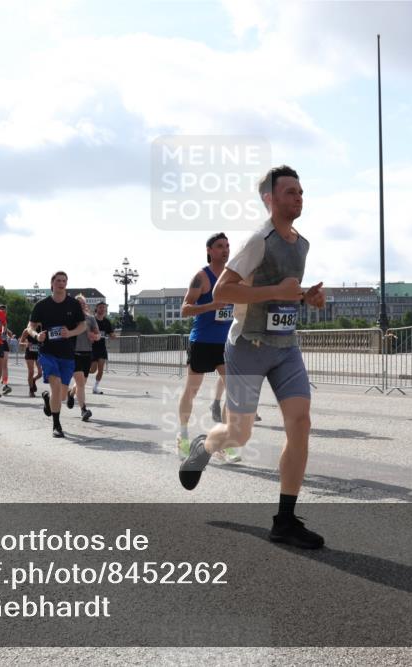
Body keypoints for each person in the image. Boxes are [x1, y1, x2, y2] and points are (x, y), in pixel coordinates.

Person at [179, 165, 327, 550]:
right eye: (290, 192)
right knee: (239, 434)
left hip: (286, 347)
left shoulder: (301, 244)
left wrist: (306, 297)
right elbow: (224, 292)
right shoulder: (257, 241)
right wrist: (276, 290)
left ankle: (285, 520)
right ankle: (204, 446)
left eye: (301, 191)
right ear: (269, 199)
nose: (299, 197)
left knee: (301, 423)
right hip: (247, 347)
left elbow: (284, 292)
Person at [176, 232, 239, 461]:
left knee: (234, 392)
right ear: (209, 251)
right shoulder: (201, 277)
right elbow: (185, 309)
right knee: (191, 390)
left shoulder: (233, 277)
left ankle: (225, 442)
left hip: (226, 344)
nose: (225, 250)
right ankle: (183, 436)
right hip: (202, 342)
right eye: (220, 246)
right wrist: (211, 305)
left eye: (227, 246)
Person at [26, 271, 87, 438]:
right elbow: (30, 327)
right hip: (48, 352)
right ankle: (56, 425)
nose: (61, 283)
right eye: (58, 280)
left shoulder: (73, 304)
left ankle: (48, 400)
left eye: (64, 281)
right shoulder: (42, 305)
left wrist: (71, 333)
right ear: (52, 283)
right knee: (56, 384)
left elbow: (82, 326)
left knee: (61, 395)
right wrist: (37, 335)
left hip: (67, 353)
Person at [66, 294, 98, 422]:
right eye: (78, 303)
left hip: (87, 353)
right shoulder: (70, 319)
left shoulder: (90, 319)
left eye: (82, 303)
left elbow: (98, 335)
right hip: (74, 353)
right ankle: (83, 410)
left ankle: (71, 393)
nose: (80, 305)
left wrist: (94, 336)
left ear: (85, 305)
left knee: (82, 383)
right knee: (80, 383)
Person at [89, 302, 116, 394]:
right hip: (92, 348)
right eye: (100, 307)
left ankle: (95, 387)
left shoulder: (106, 321)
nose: (102, 309)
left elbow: (111, 333)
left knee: (100, 370)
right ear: (96, 308)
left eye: (104, 308)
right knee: (93, 370)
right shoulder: (92, 320)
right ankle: (80, 372)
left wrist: (113, 335)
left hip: (102, 348)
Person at [20, 324, 43, 397]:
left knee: (40, 373)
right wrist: (26, 344)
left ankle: (33, 380)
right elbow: (20, 342)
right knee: (31, 372)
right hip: (29, 353)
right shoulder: (27, 330)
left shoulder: (41, 329)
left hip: (38, 353)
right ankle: (31, 390)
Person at [0, 304, 13, 395]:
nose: (3, 313)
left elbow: (4, 329)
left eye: (4, 312)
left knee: (4, 365)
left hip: (3, 343)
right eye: (1, 311)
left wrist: (8, 333)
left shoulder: (5, 321)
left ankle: (5, 384)